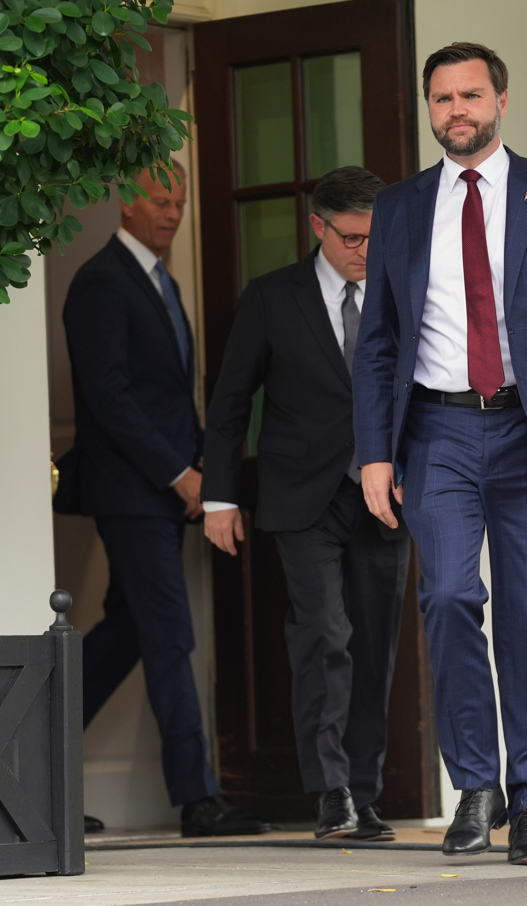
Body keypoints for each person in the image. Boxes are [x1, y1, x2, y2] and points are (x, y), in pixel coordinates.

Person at [352, 43, 527, 866]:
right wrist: (375, 454)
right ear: (430, 108)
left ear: (501, 101)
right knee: (445, 598)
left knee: (526, 617)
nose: (456, 112)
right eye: (441, 99)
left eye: (470, 95)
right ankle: (475, 788)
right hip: (436, 432)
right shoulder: (402, 206)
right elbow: (378, 343)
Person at [200, 167, 411, 843]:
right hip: (301, 499)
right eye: (350, 237)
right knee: (324, 636)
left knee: (375, 644)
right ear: (316, 227)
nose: (363, 251)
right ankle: (331, 791)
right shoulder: (270, 298)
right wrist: (220, 497)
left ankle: (368, 793)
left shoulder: (403, 292)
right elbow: (231, 403)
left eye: (374, 238)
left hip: (387, 496)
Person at [63, 163, 268, 837]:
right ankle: (197, 800)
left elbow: (166, 398)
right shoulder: (100, 283)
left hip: (163, 487)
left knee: (128, 631)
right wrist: (178, 475)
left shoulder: (161, 281)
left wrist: (204, 458)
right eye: (160, 197)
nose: (173, 210)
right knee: (170, 633)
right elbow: (110, 401)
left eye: (179, 199)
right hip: (130, 493)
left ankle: (28, 767)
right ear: (125, 201)